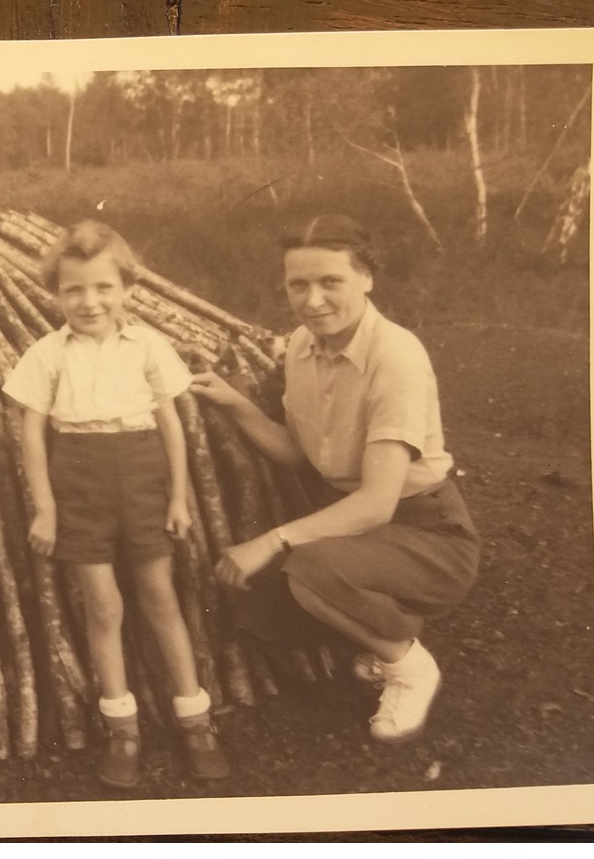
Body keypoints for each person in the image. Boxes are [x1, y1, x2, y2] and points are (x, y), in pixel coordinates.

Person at [190, 214, 479, 744]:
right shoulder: (302, 347)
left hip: (426, 533)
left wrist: (270, 540)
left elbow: (375, 505)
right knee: (257, 596)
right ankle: (372, 636)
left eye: (331, 282)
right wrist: (231, 401)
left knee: (309, 567)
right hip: (361, 528)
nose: (313, 299)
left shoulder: (395, 357)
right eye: (298, 284)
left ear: (367, 277)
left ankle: (408, 664)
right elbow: (299, 455)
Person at [3, 219, 228, 787]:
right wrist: (47, 509)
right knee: (102, 607)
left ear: (128, 289)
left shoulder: (147, 345)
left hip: (142, 478)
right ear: (55, 294)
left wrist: (177, 495)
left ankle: (194, 719)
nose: (89, 301)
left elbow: (172, 422)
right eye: (73, 289)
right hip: (79, 482)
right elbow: (32, 433)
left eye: (104, 287)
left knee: (160, 596)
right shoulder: (47, 354)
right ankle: (122, 727)